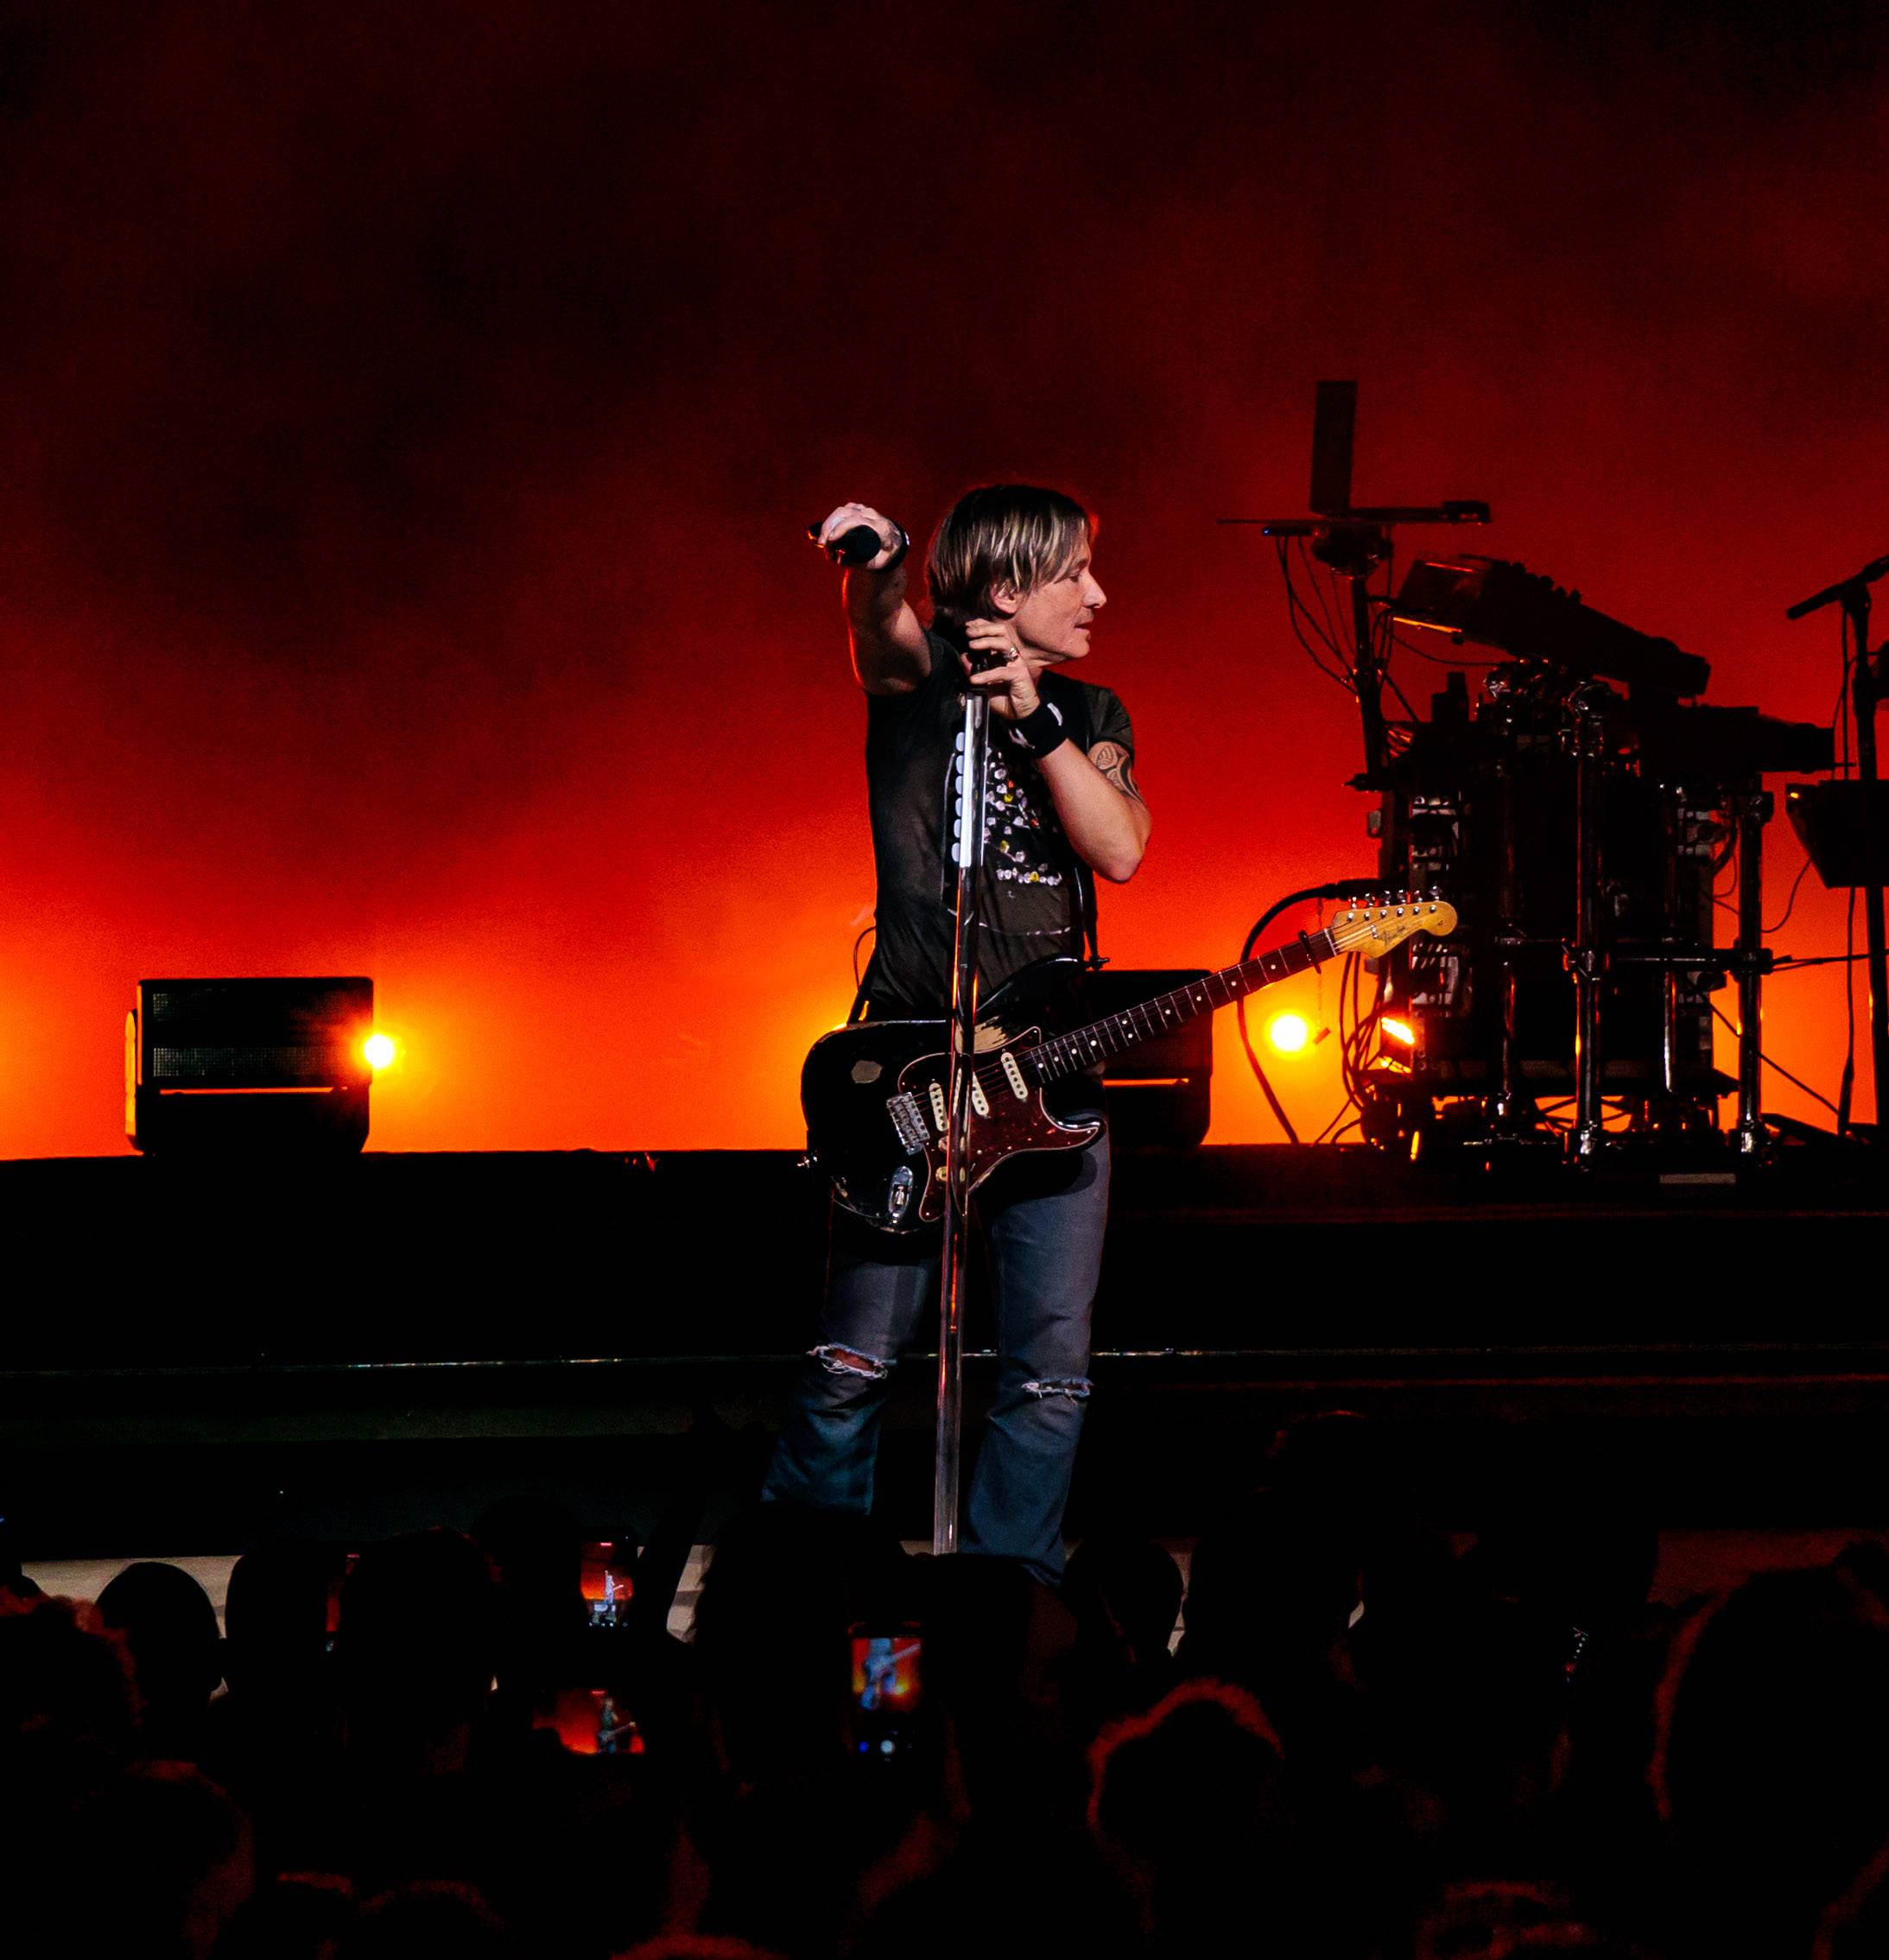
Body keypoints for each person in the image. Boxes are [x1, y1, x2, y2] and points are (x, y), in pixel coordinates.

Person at [764, 485, 1150, 1583]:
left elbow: (1120, 848)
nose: (1097, 594)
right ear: (1007, 587)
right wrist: (878, 558)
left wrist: (1037, 720)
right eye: (1074, 573)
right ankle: (802, 1591)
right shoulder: (922, 679)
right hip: (912, 1067)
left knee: (1052, 1375)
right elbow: (879, 629)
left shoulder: (1093, 711)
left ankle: (1004, 1600)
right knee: (854, 1359)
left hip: (1048, 1068)